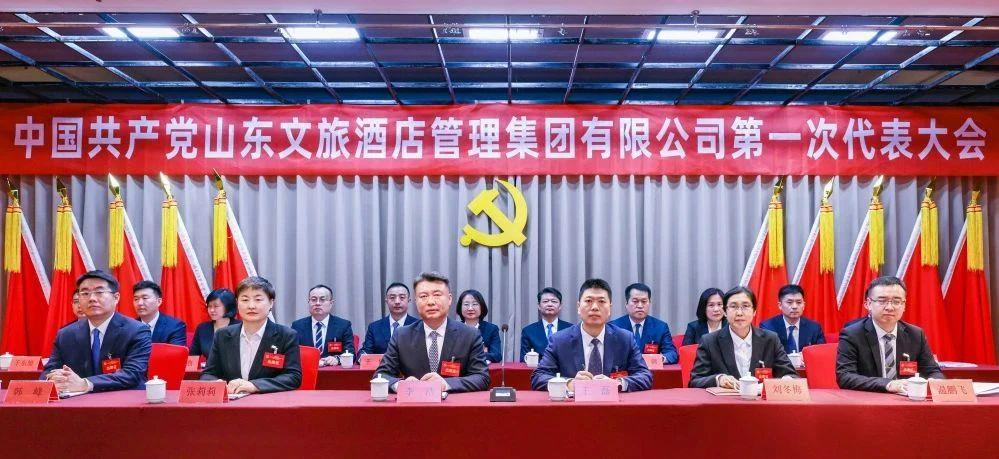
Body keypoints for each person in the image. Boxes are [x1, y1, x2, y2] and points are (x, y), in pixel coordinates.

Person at [373, 271, 490, 393]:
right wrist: (401, 385)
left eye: (437, 295)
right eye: (423, 296)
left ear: (449, 299)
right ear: (416, 301)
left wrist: (446, 384)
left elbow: (482, 377)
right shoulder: (401, 335)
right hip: (414, 402)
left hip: (455, 403)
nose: (430, 302)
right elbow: (380, 376)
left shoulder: (470, 335)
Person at [531, 278, 652, 392]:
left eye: (601, 301)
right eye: (589, 301)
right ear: (578, 307)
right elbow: (539, 376)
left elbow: (645, 376)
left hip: (614, 404)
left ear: (610, 308)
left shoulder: (625, 339)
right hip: (574, 405)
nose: (594, 307)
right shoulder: (559, 340)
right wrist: (569, 384)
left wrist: (617, 384)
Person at [42, 270, 151, 393]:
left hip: (123, 399)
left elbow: (132, 374)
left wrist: (85, 384)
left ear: (116, 297)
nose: (92, 298)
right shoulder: (66, 334)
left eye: (99, 292)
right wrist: (54, 379)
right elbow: (49, 371)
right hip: (78, 401)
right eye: (85, 293)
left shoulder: (137, 331)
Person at [836, 276, 944, 393]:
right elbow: (845, 376)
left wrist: (934, 381)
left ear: (904, 305)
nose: (889, 307)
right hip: (870, 399)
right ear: (868, 304)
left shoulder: (916, 334)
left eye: (896, 302)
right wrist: (888, 384)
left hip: (906, 400)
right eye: (882, 301)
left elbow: (933, 371)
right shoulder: (852, 334)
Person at [201, 276, 302, 394]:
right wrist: (217, 383)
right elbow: (207, 374)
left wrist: (255, 385)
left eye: (258, 299)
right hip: (232, 401)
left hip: (268, 401)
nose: (251, 306)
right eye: (245, 300)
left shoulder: (286, 335)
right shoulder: (222, 335)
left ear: (271, 303)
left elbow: (293, 377)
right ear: (237, 303)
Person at [688, 286, 796, 389]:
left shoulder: (770, 339)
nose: (739, 313)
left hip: (760, 401)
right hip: (725, 401)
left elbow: (791, 375)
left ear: (754, 311)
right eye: (733, 306)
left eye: (745, 306)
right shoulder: (709, 341)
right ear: (725, 312)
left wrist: (787, 379)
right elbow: (695, 381)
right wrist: (718, 379)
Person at [609, 283, 678, 363]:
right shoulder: (613, 327)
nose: (640, 305)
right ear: (626, 304)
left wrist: (659, 359)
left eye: (644, 301)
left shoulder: (660, 327)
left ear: (649, 304)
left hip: (650, 370)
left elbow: (672, 354)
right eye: (635, 301)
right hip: (624, 370)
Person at [291, 284, 355, 366]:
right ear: (308, 302)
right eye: (313, 300)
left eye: (322, 299)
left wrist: (337, 359)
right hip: (306, 370)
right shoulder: (297, 326)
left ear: (331, 303)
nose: (317, 303)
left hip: (332, 371)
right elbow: (291, 352)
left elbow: (350, 352)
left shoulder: (343, 325)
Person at [759, 284, 826, 354]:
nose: (794, 306)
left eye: (799, 302)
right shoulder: (768, 327)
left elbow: (821, 353)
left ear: (803, 305)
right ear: (780, 305)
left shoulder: (814, 328)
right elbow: (766, 354)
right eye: (789, 302)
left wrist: (806, 356)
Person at [359, 282, 419, 357]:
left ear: (409, 300)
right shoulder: (374, 327)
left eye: (402, 297)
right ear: (386, 301)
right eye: (392, 298)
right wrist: (362, 357)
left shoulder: (419, 326)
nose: (397, 302)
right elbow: (365, 352)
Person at [520, 287, 572, 361]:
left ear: (560, 306)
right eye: (545, 301)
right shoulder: (528, 331)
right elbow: (524, 361)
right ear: (539, 306)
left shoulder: (571, 329)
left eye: (554, 301)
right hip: (538, 368)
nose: (550, 304)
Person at [132, 280, 187, 346]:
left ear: (159, 301)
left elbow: (175, 351)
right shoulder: (129, 327)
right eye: (136, 299)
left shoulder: (175, 326)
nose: (140, 303)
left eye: (145, 298)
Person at [190, 288, 239, 359]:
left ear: (228, 307)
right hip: (209, 366)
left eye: (216, 306)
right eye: (209, 306)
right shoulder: (202, 328)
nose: (212, 310)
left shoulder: (240, 327)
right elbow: (193, 356)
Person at [455, 289, 502, 363]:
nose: (470, 308)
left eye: (475, 304)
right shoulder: (454, 329)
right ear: (460, 307)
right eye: (466, 304)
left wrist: (465, 354)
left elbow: (497, 356)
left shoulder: (491, 329)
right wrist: (481, 352)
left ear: (481, 307)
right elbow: (450, 356)